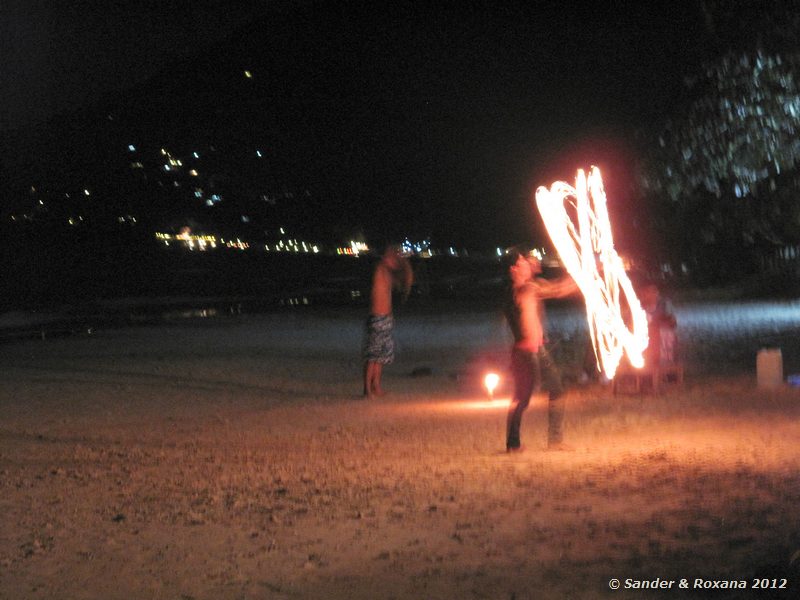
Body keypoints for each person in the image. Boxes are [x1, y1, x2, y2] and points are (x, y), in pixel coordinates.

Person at [502, 247, 579, 452]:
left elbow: (555, 288)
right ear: (514, 268)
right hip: (525, 353)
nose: (527, 263)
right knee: (522, 398)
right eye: (523, 261)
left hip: (537, 349)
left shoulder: (521, 289)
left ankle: (553, 441)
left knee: (556, 389)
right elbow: (558, 289)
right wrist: (581, 274)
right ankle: (513, 444)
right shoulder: (525, 290)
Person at [362, 245, 414, 397]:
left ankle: (376, 386)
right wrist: (398, 261)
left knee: (381, 356)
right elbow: (392, 265)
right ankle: (367, 388)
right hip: (376, 318)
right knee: (373, 355)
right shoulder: (380, 269)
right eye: (391, 257)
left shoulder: (388, 274)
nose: (394, 260)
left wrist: (406, 269)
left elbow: (400, 281)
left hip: (386, 318)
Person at [639, 282, 677, 366]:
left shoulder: (664, 304)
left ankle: (665, 367)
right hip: (648, 335)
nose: (647, 295)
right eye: (646, 292)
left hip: (662, 334)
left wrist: (656, 323)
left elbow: (672, 322)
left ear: (656, 293)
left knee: (663, 335)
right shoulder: (642, 305)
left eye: (650, 292)